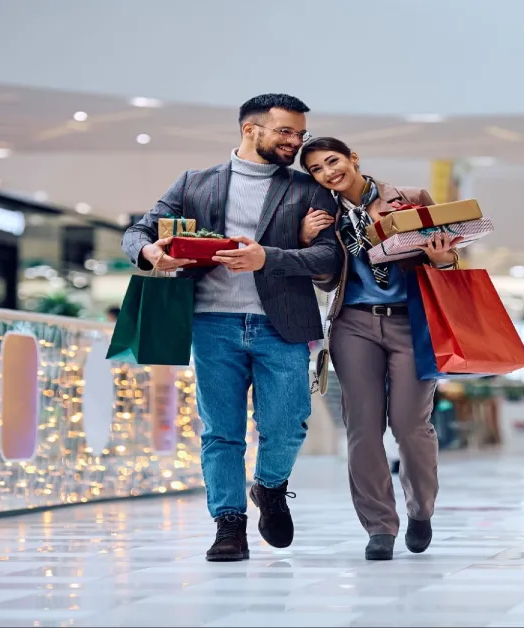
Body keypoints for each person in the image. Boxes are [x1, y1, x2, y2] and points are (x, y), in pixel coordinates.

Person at [121, 94, 341, 562]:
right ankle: (229, 525)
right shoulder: (195, 183)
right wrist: (151, 253)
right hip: (210, 323)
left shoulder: (309, 190)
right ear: (250, 130)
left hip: (281, 323)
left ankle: (270, 486)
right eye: (285, 131)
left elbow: (329, 258)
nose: (295, 142)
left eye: (300, 134)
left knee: (285, 425)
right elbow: (137, 232)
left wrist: (270, 256)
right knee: (221, 431)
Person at [298, 137, 461, 561]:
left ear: (352, 159)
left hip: (411, 321)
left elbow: (447, 263)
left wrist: (442, 260)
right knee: (363, 429)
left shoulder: (409, 199)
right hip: (354, 323)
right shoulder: (322, 216)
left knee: (411, 424)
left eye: (332, 161)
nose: (328, 172)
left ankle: (421, 509)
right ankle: (380, 527)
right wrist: (306, 242)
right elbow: (327, 280)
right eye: (316, 169)